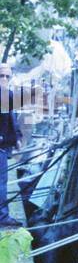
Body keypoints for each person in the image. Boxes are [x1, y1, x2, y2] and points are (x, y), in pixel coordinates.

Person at [0, 63, 23, 229]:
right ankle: (2, 216)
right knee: (1, 182)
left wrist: (17, 139)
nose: (5, 79)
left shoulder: (7, 95)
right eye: (1, 76)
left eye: (8, 76)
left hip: (4, 145)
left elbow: (11, 120)